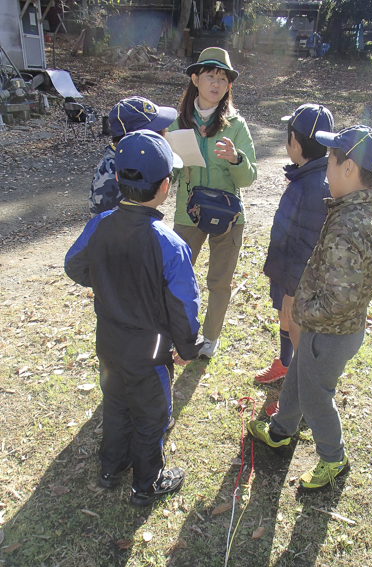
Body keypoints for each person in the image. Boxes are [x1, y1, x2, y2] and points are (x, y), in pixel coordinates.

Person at [65, 130, 203, 506]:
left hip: (108, 343)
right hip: (149, 353)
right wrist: (189, 347)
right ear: (165, 186)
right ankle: (147, 483)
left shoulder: (101, 223)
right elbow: (183, 305)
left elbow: (74, 265)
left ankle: (111, 466)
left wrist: (108, 281)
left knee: (115, 403)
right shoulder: (170, 244)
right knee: (152, 417)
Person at [248, 125, 372, 491]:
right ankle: (281, 429)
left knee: (316, 397)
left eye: (330, 159)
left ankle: (333, 457)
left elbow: (339, 300)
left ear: (349, 169)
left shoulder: (347, 225)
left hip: (329, 333)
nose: (325, 164)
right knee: (298, 377)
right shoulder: (356, 211)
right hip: (329, 328)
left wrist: (303, 312)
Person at [169, 47, 257, 359]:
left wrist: (236, 158)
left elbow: (248, 177)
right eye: (210, 76)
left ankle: (210, 338)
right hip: (189, 213)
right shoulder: (179, 122)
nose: (216, 84)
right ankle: (177, 332)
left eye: (223, 78)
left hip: (229, 215)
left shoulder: (236, 125)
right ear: (195, 78)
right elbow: (172, 172)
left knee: (219, 282)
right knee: (177, 275)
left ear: (229, 86)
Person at [254, 105, 334, 407]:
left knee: (294, 323)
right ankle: (285, 365)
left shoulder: (312, 187)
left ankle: (300, 388)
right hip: (288, 274)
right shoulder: (311, 176)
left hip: (297, 281)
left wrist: (291, 291)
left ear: (294, 144)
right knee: (285, 321)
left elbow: (305, 247)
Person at [89, 96, 177, 216]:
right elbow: (118, 228)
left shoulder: (126, 161)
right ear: (138, 136)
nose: (163, 134)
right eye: (158, 131)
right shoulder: (116, 173)